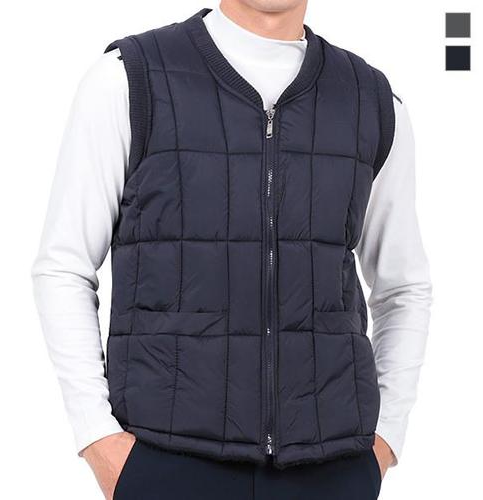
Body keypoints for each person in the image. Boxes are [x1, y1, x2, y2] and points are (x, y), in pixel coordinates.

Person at [31, 1, 433, 499]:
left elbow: (403, 287)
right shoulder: (128, 80)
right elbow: (64, 266)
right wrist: (98, 438)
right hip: (165, 462)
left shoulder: (371, 101)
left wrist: (385, 439)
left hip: (333, 467)